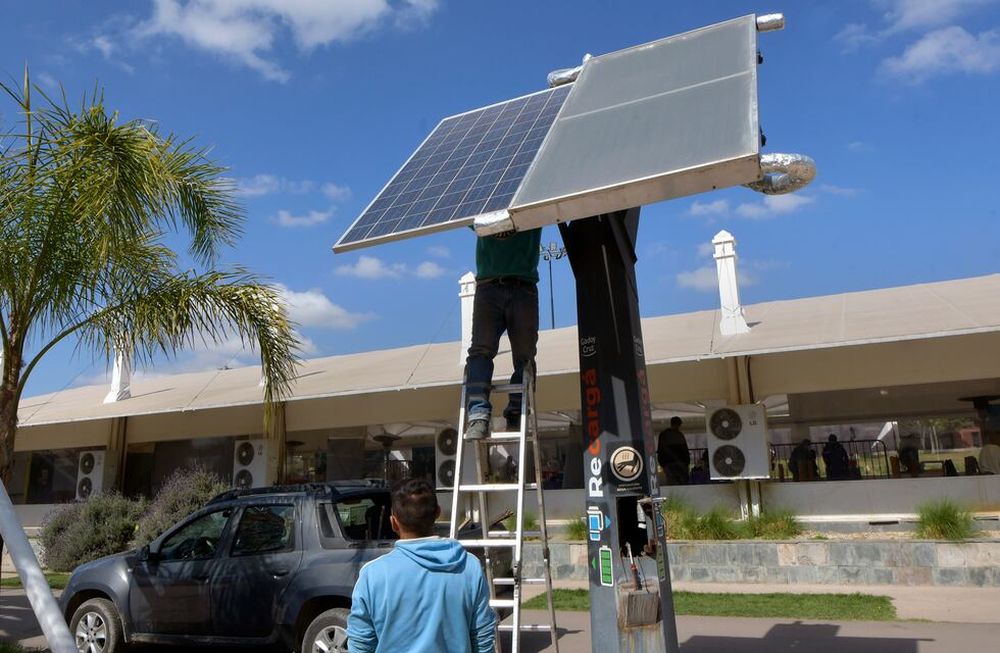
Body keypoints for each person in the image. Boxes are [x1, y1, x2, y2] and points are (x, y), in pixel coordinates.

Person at [347, 478, 496, 653]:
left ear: (393, 522)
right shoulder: (469, 567)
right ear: (438, 513)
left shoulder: (372, 575)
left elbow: (360, 644)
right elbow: (483, 639)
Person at [464, 228, 542, 440]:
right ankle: (478, 414)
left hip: (523, 285)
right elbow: (469, 213)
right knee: (481, 350)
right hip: (489, 285)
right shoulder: (481, 197)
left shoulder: (531, 196)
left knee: (525, 356)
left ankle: (517, 411)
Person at [657, 416, 691, 485]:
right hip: (681, 463)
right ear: (679, 424)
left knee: (672, 482)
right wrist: (686, 462)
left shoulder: (664, 434)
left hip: (668, 463)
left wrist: (662, 463)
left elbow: (661, 449)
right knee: (682, 482)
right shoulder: (679, 435)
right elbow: (684, 450)